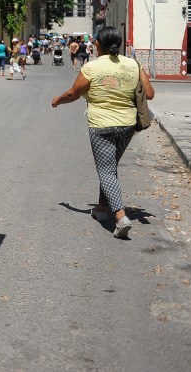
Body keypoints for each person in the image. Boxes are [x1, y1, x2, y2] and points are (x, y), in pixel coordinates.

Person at [51, 26, 155, 239]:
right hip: (127, 126)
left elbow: (73, 93)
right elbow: (150, 94)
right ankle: (100, 208)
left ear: (98, 44)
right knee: (109, 166)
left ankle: (120, 217)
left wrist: (57, 100)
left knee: (106, 170)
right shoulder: (134, 64)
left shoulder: (92, 67)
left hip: (101, 126)